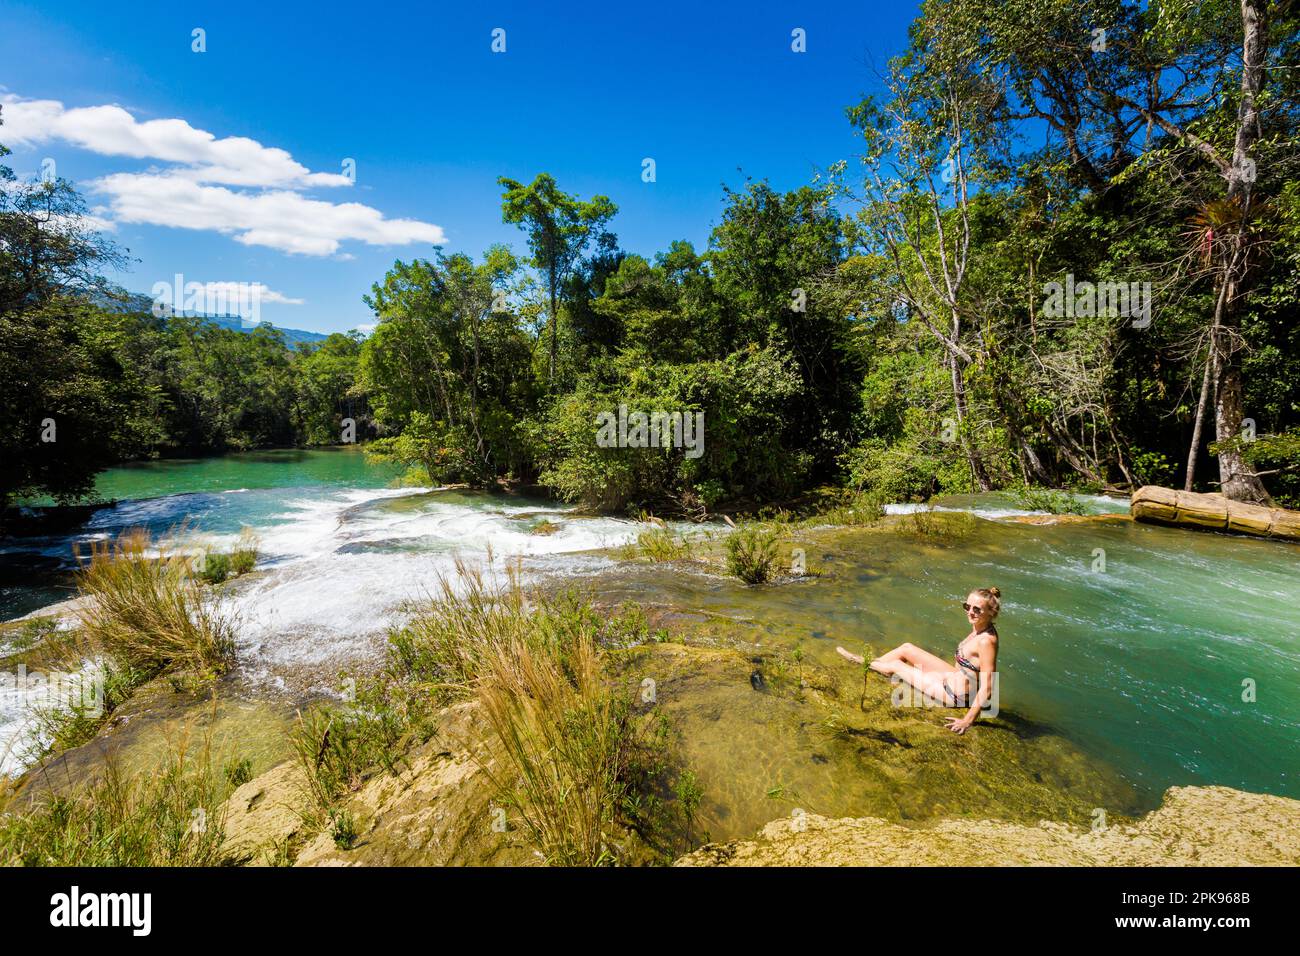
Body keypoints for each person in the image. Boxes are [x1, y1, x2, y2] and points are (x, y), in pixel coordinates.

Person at [837, 587, 1001, 734]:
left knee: (896, 666)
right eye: (967, 606)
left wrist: (968, 720)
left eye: (977, 609)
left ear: (990, 612)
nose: (970, 612)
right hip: (952, 677)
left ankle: (860, 661)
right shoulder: (978, 628)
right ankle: (875, 663)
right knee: (906, 648)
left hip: (955, 695)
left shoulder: (986, 641)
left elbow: (988, 684)